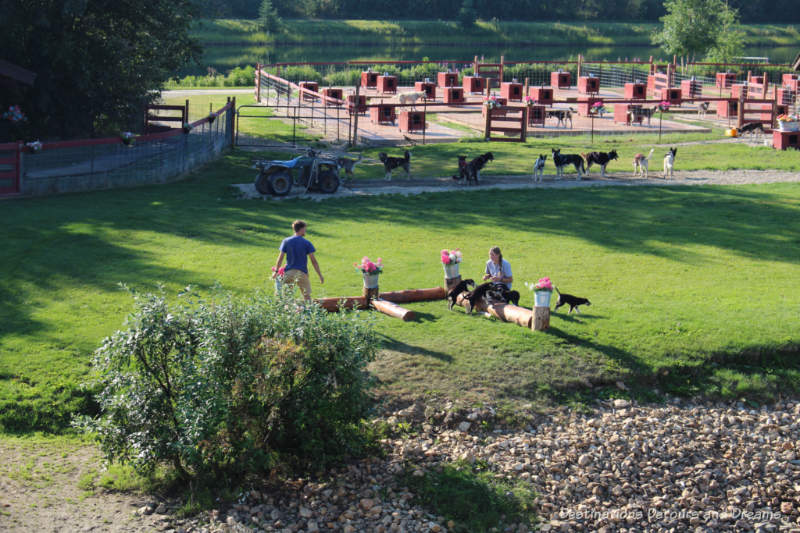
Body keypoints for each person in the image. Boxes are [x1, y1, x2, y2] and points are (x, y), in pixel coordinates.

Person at [272, 220, 324, 300]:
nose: (305, 231)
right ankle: (308, 311)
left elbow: (280, 258)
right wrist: (320, 275)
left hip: (288, 273)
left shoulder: (286, 241)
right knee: (307, 296)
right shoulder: (306, 243)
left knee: (287, 297)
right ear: (301, 229)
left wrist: (276, 272)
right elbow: (314, 261)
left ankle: (286, 311)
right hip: (301, 273)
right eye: (305, 229)